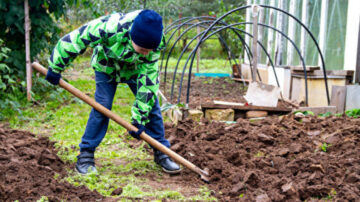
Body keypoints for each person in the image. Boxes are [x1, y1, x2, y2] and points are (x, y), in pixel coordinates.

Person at [45, 9, 181, 175]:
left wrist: (139, 118)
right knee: (102, 106)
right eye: (143, 48)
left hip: (135, 70)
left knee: (152, 108)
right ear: (132, 36)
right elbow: (75, 39)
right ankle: (86, 155)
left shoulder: (155, 44)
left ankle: (162, 153)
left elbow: (149, 82)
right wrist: (55, 67)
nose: (147, 53)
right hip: (106, 67)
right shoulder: (109, 27)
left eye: (149, 50)